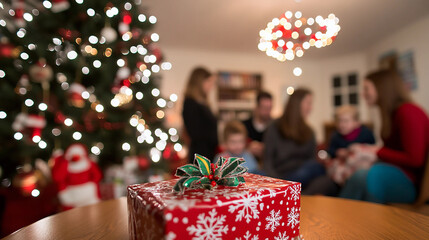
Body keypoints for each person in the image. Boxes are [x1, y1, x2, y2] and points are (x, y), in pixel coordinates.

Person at [340, 69, 429, 203]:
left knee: (369, 175)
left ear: (381, 88)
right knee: (359, 174)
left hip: (410, 183)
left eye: (366, 89)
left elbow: (415, 159)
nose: (362, 93)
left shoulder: (408, 112)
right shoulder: (392, 114)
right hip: (396, 175)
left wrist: (376, 150)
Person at [263, 88, 325, 188]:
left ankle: (289, 189)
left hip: (303, 175)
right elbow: (267, 161)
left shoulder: (309, 131)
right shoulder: (274, 127)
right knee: (255, 173)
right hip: (279, 176)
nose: (311, 108)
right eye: (308, 103)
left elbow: (312, 161)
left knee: (316, 170)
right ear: (297, 104)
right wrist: (275, 181)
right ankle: (287, 188)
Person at [326, 105, 376, 185]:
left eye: (345, 121)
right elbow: (330, 150)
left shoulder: (366, 134)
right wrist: (337, 152)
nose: (341, 124)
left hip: (359, 168)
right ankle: (298, 196)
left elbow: (372, 150)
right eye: (339, 121)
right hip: (341, 170)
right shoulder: (335, 136)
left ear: (357, 123)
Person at [182, 67, 218, 163]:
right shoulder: (190, 103)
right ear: (199, 82)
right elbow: (196, 133)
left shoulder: (203, 103)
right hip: (200, 155)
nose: (211, 86)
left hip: (208, 153)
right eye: (208, 82)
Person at [242, 91, 273, 160]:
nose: (267, 112)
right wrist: (247, 149)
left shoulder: (275, 127)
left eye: (269, 108)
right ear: (257, 107)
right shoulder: (244, 126)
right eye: (264, 108)